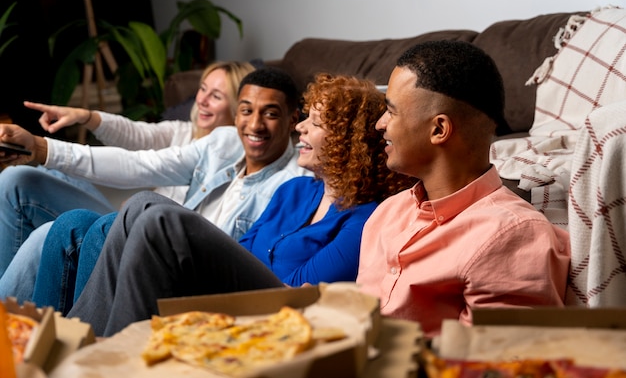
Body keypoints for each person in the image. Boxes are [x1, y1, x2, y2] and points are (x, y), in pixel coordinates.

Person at [61, 73, 415, 336]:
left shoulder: (366, 219)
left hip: (279, 310)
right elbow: (239, 250)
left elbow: (301, 292)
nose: (301, 129)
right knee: (137, 207)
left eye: (316, 122)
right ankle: (79, 343)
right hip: (234, 295)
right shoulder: (293, 191)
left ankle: (111, 362)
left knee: (159, 220)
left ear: (345, 142)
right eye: (304, 118)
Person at [0, 67, 307, 305]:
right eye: (246, 110)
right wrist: (41, 148)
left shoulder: (296, 184)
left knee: (53, 234)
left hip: (186, 269)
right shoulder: (223, 141)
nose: (254, 125)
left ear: (294, 119)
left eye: (270, 114)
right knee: (24, 184)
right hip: (150, 232)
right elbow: (142, 163)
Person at [354, 40, 571, 337]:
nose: (380, 124)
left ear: (439, 130)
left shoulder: (511, 234)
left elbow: (498, 363)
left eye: (391, 112)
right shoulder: (387, 214)